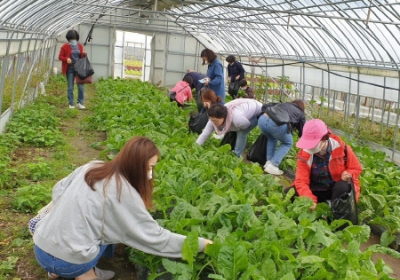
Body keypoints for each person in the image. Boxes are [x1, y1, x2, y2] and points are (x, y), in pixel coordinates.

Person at [33, 136, 213, 280]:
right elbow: (154, 237)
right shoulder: (122, 193)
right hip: (72, 262)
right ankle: (86, 274)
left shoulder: (91, 167)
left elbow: (58, 190)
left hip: (41, 248)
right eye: (150, 167)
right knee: (111, 228)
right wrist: (200, 244)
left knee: (94, 223)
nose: (151, 174)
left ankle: (54, 271)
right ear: (135, 166)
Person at [285, 119, 362, 212]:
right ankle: (319, 207)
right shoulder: (304, 154)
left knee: (344, 187)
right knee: (289, 193)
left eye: (312, 143)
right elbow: (301, 181)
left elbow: (356, 168)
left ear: (324, 139)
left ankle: (335, 212)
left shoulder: (342, 148)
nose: (309, 147)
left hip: (334, 189)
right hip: (315, 188)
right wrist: (309, 199)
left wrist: (348, 173)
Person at [196, 99, 262, 157]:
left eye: (216, 121)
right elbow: (205, 133)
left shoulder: (237, 119)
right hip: (245, 105)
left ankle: (237, 155)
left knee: (241, 133)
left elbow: (246, 125)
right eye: (212, 120)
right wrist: (196, 147)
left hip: (257, 110)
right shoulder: (213, 118)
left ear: (224, 117)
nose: (214, 122)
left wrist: (233, 128)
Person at [257, 100, 306, 175]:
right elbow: (303, 131)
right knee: (288, 143)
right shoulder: (300, 113)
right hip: (275, 124)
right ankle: (273, 164)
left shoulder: (285, 104)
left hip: (262, 119)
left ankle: (268, 162)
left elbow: (266, 106)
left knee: (272, 138)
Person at [59, 30, 87, 110]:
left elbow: (82, 56)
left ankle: (80, 103)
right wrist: (66, 59)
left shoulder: (80, 46)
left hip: (78, 68)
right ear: (69, 39)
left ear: (77, 38)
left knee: (81, 87)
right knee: (70, 87)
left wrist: (84, 54)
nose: (73, 40)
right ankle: (71, 103)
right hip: (70, 68)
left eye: (74, 39)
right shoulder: (65, 46)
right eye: (71, 39)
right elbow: (60, 56)